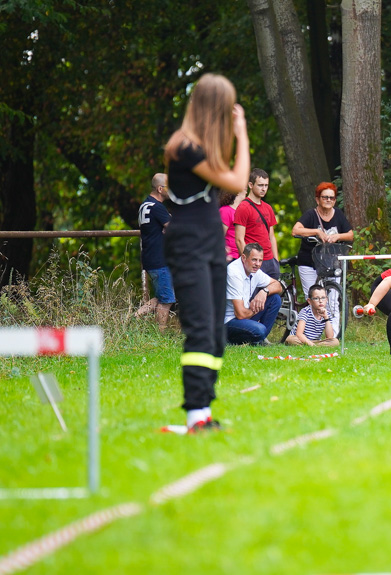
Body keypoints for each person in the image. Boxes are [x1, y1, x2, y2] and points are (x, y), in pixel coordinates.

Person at [163, 73, 250, 433]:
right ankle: (195, 414)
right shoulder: (184, 146)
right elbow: (236, 182)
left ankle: (206, 413)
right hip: (188, 244)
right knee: (200, 329)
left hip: (211, 241)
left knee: (216, 330)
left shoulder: (201, 147)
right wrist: (242, 133)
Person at [291, 182, 354, 298]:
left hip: (331, 262)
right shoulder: (311, 214)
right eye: (325, 197)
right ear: (317, 199)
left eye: (331, 197)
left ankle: (333, 317)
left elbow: (350, 235)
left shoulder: (338, 214)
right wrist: (317, 231)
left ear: (335, 200)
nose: (328, 200)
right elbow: (295, 230)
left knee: (333, 299)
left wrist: (338, 236)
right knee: (313, 298)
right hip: (309, 262)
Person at [135, 173, 175, 331]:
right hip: (160, 259)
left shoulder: (145, 204)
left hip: (150, 257)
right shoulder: (158, 207)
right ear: (160, 189)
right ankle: (160, 334)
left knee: (162, 295)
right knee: (166, 300)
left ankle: (135, 317)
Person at [225, 243, 282, 345]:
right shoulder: (234, 273)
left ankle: (259, 340)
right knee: (259, 330)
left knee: (275, 299)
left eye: (260, 260)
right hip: (228, 322)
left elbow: (278, 286)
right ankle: (229, 340)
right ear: (243, 258)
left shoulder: (254, 270)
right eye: (254, 260)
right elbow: (240, 314)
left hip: (245, 315)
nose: (258, 264)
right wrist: (255, 308)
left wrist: (264, 292)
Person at [234, 168, 279, 279]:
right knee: (255, 296)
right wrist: (248, 262)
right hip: (254, 261)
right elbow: (239, 239)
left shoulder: (268, 208)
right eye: (260, 185)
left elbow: (271, 237)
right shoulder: (243, 207)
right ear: (250, 185)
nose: (264, 189)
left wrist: (276, 261)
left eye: (266, 185)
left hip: (270, 260)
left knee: (275, 294)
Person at [219, 186, 246, 262]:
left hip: (241, 257)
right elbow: (219, 236)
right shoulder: (225, 211)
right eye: (244, 188)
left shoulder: (242, 212)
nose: (246, 191)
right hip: (230, 258)